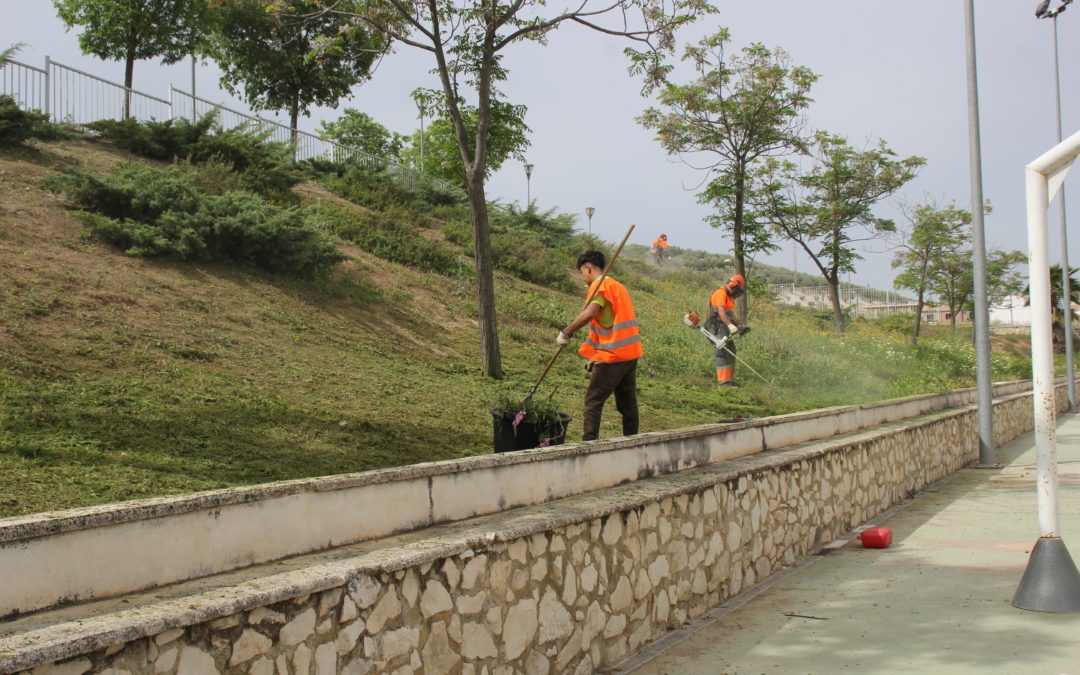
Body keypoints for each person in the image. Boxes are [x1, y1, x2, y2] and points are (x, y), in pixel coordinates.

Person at [557, 250, 643, 440]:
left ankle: (589, 443)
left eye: (581, 272)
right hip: (630, 353)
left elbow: (589, 314)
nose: (583, 278)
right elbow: (607, 322)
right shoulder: (617, 286)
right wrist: (593, 355)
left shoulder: (600, 287)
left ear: (588, 268)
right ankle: (632, 441)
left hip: (613, 355)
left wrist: (567, 332)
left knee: (593, 401)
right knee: (627, 404)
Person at [705, 274, 746, 386]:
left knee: (731, 350)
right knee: (722, 352)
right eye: (738, 290)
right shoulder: (721, 293)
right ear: (734, 285)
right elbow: (721, 311)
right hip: (716, 326)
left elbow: (730, 315)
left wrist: (740, 325)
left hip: (724, 327)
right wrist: (730, 326)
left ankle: (728, 380)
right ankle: (723, 382)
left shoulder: (729, 297)